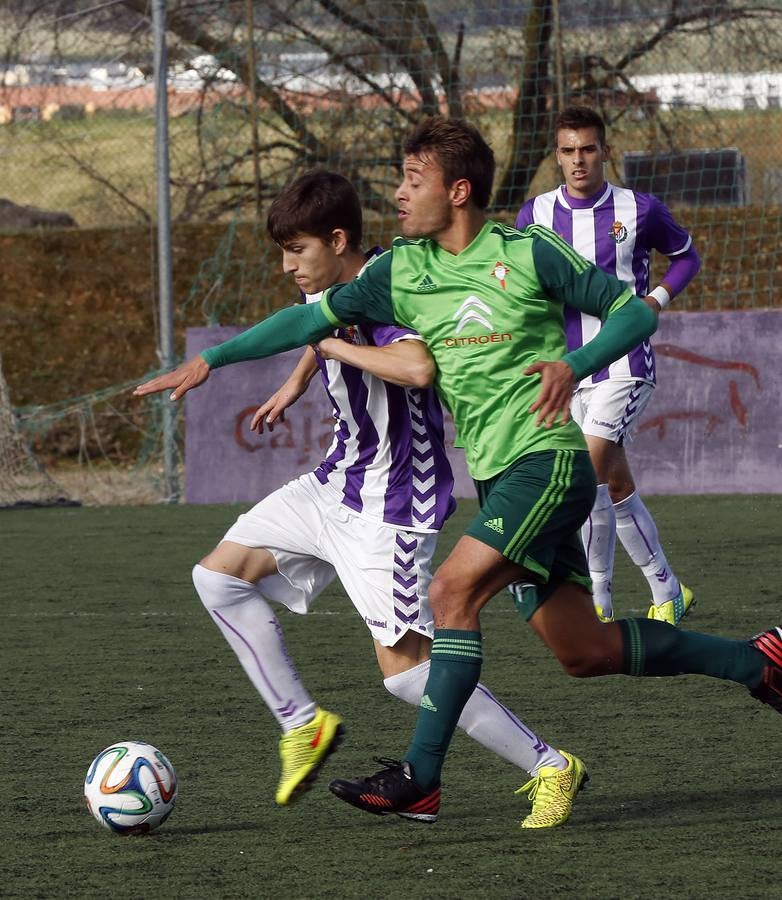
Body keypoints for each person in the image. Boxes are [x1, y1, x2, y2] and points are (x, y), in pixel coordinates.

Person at [134, 120, 782, 829]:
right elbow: (304, 325)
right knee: (584, 651)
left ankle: (422, 778)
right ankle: (758, 662)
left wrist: (575, 364)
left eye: (415, 181)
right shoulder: (401, 271)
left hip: (550, 463)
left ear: (459, 190)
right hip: (502, 479)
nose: (401, 194)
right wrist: (212, 361)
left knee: (450, 593)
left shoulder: (529, 252)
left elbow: (631, 314)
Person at [147, 169, 591, 828]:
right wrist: (301, 375)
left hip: (392, 506)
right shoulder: (343, 290)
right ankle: (304, 725)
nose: (287, 264)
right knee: (217, 577)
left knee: (407, 675)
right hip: (333, 483)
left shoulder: (394, 287)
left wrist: (321, 342)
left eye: (298, 250)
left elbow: (416, 366)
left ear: (336, 238)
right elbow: (325, 322)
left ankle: (551, 765)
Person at [515, 105, 701, 625]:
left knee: (587, 474)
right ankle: (668, 589)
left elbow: (686, 256)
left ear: (605, 151)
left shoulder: (639, 209)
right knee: (614, 486)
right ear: (557, 156)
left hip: (625, 364)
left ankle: (598, 601)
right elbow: (524, 286)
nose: (579, 160)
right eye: (568, 151)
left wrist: (657, 299)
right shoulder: (534, 216)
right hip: (567, 369)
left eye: (588, 149)